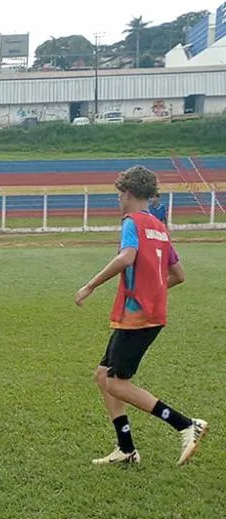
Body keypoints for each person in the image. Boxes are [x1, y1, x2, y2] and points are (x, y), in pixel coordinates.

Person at [74, 166, 207, 465]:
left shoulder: (131, 221)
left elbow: (126, 257)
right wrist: (154, 291)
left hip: (138, 317)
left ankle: (186, 424)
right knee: (102, 375)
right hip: (150, 314)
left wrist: (89, 286)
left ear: (129, 194)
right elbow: (178, 274)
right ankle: (126, 448)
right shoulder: (159, 226)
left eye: (120, 195)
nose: (119, 200)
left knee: (117, 384)